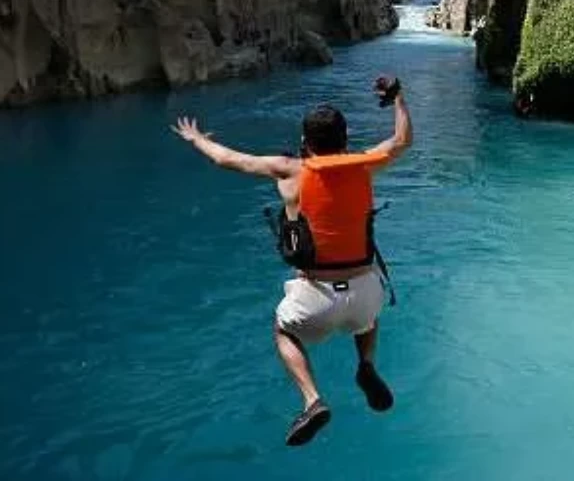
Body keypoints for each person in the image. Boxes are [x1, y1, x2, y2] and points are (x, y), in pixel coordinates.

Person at [171, 75, 412, 447]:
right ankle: (366, 365)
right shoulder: (364, 165)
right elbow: (401, 141)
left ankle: (312, 400)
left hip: (314, 293)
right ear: (345, 140)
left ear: (305, 143)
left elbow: (227, 159)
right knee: (368, 315)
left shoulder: (288, 170)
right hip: (364, 289)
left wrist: (197, 138)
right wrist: (397, 99)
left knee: (283, 331)